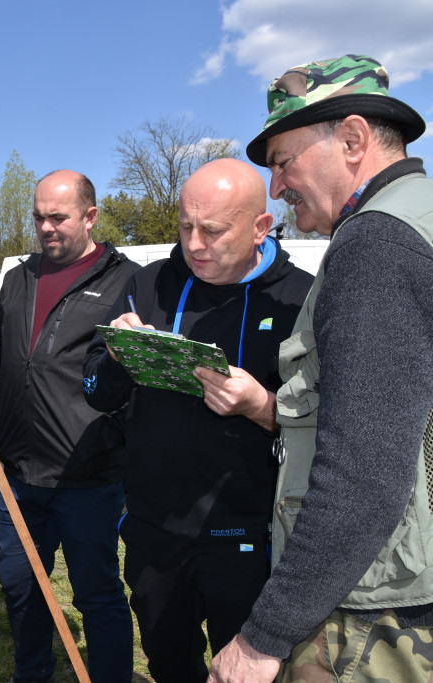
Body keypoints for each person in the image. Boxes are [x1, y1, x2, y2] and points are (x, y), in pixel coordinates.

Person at [209, 54, 433, 683]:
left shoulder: (377, 246)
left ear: (354, 139)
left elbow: (363, 473)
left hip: (375, 616)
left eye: (283, 162)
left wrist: (263, 638)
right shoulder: (416, 220)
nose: (276, 186)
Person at [84, 158, 313, 681]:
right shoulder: (149, 284)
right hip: (153, 532)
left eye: (212, 230)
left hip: (248, 534)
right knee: (170, 666)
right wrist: (118, 358)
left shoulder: (299, 297)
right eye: (185, 226)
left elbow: (334, 426)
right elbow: (94, 393)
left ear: (260, 227)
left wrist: (262, 406)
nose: (193, 243)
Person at [0, 169, 140, 683]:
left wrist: (112, 436)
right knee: (20, 584)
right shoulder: (19, 279)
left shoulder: (125, 281)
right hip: (19, 476)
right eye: (38, 217)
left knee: (96, 591)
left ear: (90, 216)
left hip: (89, 476)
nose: (46, 228)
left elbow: (137, 375)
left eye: (58, 217)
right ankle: (33, 674)